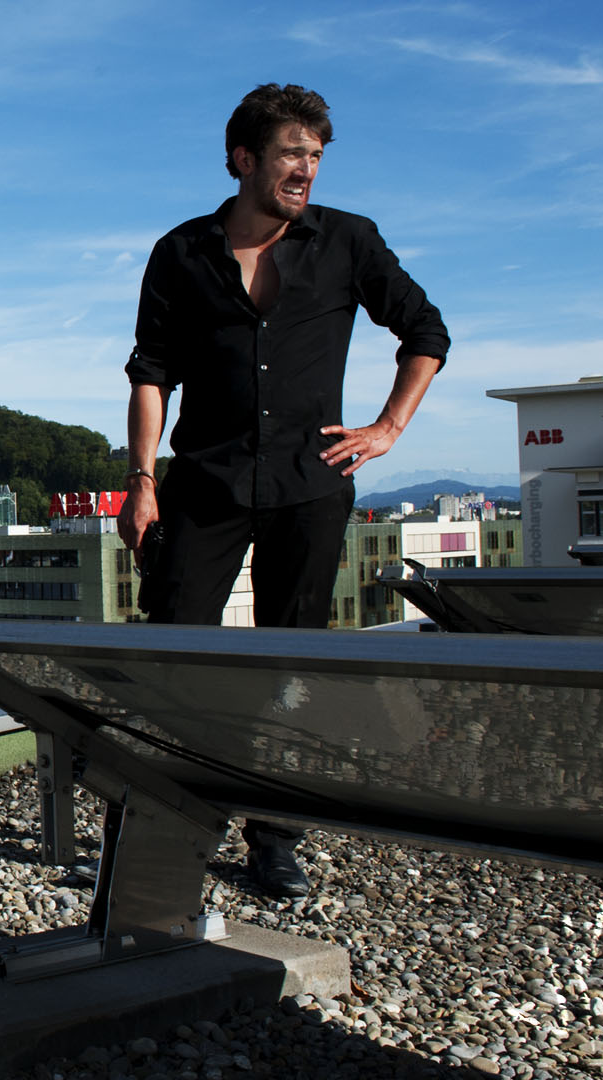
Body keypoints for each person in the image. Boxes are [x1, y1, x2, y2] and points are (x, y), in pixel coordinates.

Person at [117, 84, 449, 897]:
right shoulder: (182, 252)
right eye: (291, 154)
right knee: (176, 654)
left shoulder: (348, 241)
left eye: (315, 156)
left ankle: (276, 837)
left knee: (290, 661)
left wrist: (387, 429)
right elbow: (151, 371)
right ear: (243, 159)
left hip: (312, 483)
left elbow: (426, 333)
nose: (306, 170)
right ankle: (172, 818)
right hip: (204, 481)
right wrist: (140, 480)